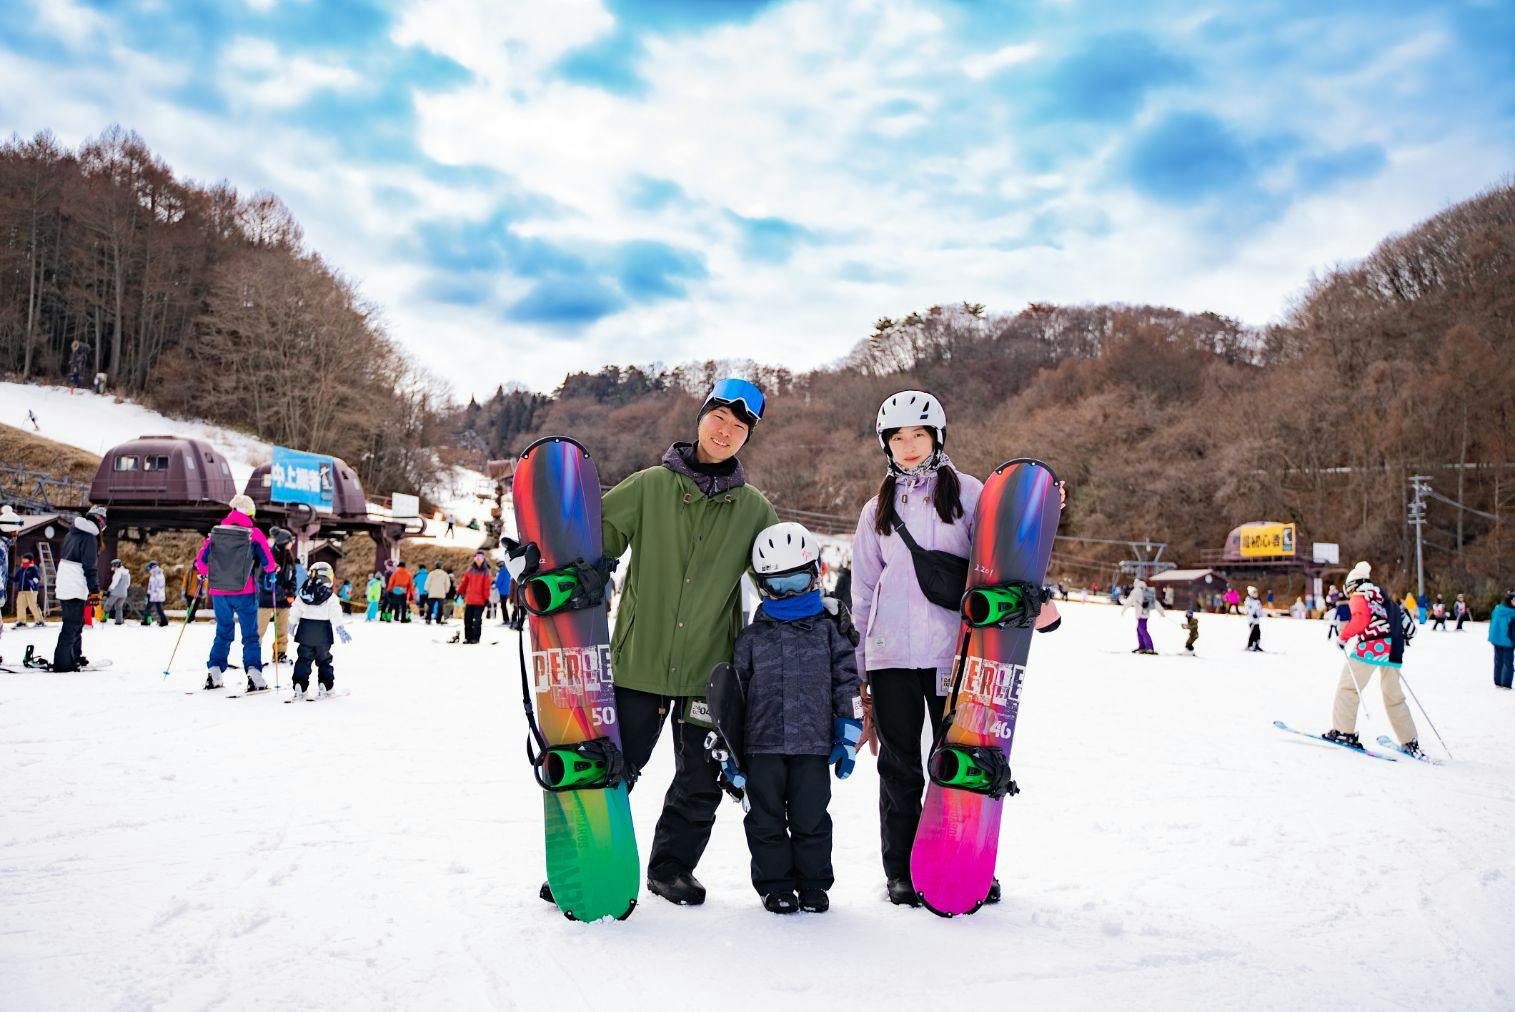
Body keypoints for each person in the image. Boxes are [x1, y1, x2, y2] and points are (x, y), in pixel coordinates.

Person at [515, 377, 778, 908]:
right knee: (615, 766)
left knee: (700, 779)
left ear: (748, 437)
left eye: (739, 426)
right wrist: (536, 559)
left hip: (711, 667)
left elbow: (781, 575)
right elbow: (588, 542)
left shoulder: (754, 510)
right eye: (718, 419)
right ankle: (587, 858)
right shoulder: (649, 486)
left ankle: (671, 868)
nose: (725, 432)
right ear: (701, 417)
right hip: (639, 660)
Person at [850, 389, 1061, 908]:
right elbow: (861, 592)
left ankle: (967, 862)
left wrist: (1041, 520)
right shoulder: (875, 510)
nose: (909, 446)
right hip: (891, 655)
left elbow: (1005, 555)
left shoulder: (971, 494)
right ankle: (901, 870)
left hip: (958, 652)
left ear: (937, 436)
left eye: (918, 434)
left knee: (965, 757)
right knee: (898, 764)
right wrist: (858, 670)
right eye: (897, 438)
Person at [723, 521, 862, 914]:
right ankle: (776, 886)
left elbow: (847, 685)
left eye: (797, 581)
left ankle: (814, 885)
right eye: (778, 586)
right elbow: (735, 698)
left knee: (811, 818)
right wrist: (731, 753)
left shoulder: (830, 632)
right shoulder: (750, 640)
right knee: (764, 821)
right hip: (761, 746)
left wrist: (848, 731)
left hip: (813, 746)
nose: (789, 594)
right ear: (762, 586)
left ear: (816, 573)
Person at [1325, 562, 1422, 756]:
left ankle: (1344, 731)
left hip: (1371, 647)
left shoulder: (1361, 595)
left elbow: (1360, 620)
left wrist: (1343, 637)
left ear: (1353, 585)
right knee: (1393, 696)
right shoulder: (1385, 599)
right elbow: (1409, 628)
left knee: (1349, 687)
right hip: (1394, 648)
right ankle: (1409, 740)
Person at [194, 495, 277, 691]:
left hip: (219, 592)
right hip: (244, 591)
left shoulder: (215, 533)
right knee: (250, 635)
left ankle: (214, 672)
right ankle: (254, 675)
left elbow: (201, 563)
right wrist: (272, 573)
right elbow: (269, 562)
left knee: (223, 631)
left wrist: (206, 574)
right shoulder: (253, 533)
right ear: (250, 513)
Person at [52, 506, 106, 671]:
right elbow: (89, 567)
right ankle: (63, 663)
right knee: (71, 625)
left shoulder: (72, 533)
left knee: (76, 622)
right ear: (100, 521)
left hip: (66, 582)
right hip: (74, 584)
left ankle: (74, 656)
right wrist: (95, 590)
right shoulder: (89, 537)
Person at [288, 561, 350, 700]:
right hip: (323, 634)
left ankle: (299, 686)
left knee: (303, 660)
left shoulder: (303, 593)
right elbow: (336, 614)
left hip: (305, 632)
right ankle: (326, 686)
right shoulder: (331, 597)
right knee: (324, 661)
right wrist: (340, 628)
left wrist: (292, 624)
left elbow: (295, 609)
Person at [256, 528, 299, 664]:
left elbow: (293, 577)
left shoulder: (289, 557)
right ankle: (253, 655)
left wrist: (291, 591)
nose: (291, 544)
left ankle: (280, 654)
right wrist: (280, 591)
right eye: (289, 541)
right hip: (267, 599)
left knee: (282, 629)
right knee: (259, 629)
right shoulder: (269, 556)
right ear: (283, 542)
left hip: (283, 601)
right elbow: (262, 579)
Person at [457, 552, 492, 643]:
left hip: (480, 601)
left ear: (483, 559)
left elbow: (486, 587)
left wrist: (486, 598)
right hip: (469, 600)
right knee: (467, 620)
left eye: (480, 557)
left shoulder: (486, 571)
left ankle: (475, 638)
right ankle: (467, 637)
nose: (478, 559)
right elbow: (464, 582)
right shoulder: (470, 569)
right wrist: (459, 592)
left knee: (477, 621)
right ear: (474, 559)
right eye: (477, 557)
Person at [1120, 578, 1161, 654]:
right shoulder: (1147, 590)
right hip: (1146, 613)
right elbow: (1155, 602)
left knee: (1142, 630)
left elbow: (1130, 600)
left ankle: (1149, 647)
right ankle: (1142, 647)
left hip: (1141, 614)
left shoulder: (1136, 590)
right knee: (1139, 629)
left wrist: (1124, 609)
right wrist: (1161, 611)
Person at [1489, 590, 1515, 690]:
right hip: (1508, 641)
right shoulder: (1513, 613)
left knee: (1498, 660)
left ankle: (1498, 681)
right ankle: (1506, 683)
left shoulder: (1498, 609)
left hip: (1496, 639)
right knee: (1507, 662)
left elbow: (1493, 624)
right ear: (1510, 600)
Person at [12, 552, 44, 627]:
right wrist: (9, 578)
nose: (23, 559)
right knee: (20, 605)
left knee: (33, 605)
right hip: (22, 591)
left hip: (31, 590)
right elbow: (16, 579)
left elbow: (37, 578)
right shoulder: (21, 568)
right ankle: (21, 621)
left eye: (25, 558)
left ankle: (39, 621)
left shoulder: (33, 568)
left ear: (29, 559)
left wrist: (33, 582)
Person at [104, 559, 130, 624]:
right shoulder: (127, 573)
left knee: (108, 605)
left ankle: (104, 618)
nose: (112, 567)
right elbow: (128, 584)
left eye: (113, 565)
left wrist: (109, 590)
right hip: (124, 594)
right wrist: (123, 589)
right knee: (119, 607)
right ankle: (119, 621)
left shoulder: (118, 572)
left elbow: (114, 583)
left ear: (116, 565)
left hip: (115, 593)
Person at [143, 561, 168, 627]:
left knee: (149, 608)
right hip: (153, 595)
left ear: (153, 567)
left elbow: (158, 585)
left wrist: (152, 593)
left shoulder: (158, 574)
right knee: (156, 609)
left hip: (156, 595)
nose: (149, 571)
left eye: (149, 569)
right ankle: (163, 621)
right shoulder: (155, 574)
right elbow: (151, 585)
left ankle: (147, 621)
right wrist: (149, 592)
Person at [1244, 586, 1263, 652]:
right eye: (1255, 593)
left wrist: (1260, 614)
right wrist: (1252, 614)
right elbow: (1247, 610)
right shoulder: (1248, 601)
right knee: (1253, 632)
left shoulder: (1258, 601)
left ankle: (1256, 645)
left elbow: (1260, 610)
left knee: (1258, 633)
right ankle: (1250, 645)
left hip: (1257, 620)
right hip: (1251, 620)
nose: (1256, 594)